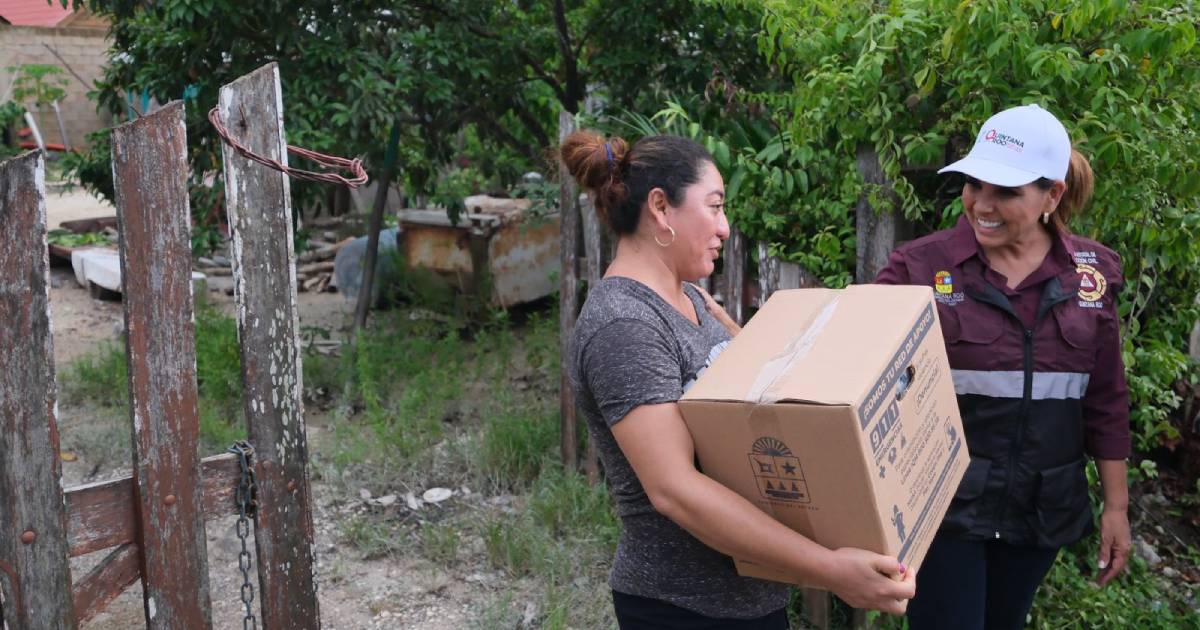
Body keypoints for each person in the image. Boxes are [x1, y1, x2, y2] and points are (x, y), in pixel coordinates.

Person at [562, 130, 916, 629]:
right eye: (714, 207)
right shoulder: (625, 325)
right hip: (682, 607)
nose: (725, 228)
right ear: (661, 208)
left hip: (749, 597)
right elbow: (675, 489)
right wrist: (830, 569)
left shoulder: (693, 302)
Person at [875, 104, 1132, 630]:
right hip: (945, 510)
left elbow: (1105, 399)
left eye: (1006, 192)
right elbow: (853, 360)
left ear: (1052, 195)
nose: (982, 205)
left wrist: (1116, 508)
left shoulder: (1093, 275)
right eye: (974, 185)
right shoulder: (920, 268)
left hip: (1042, 506)